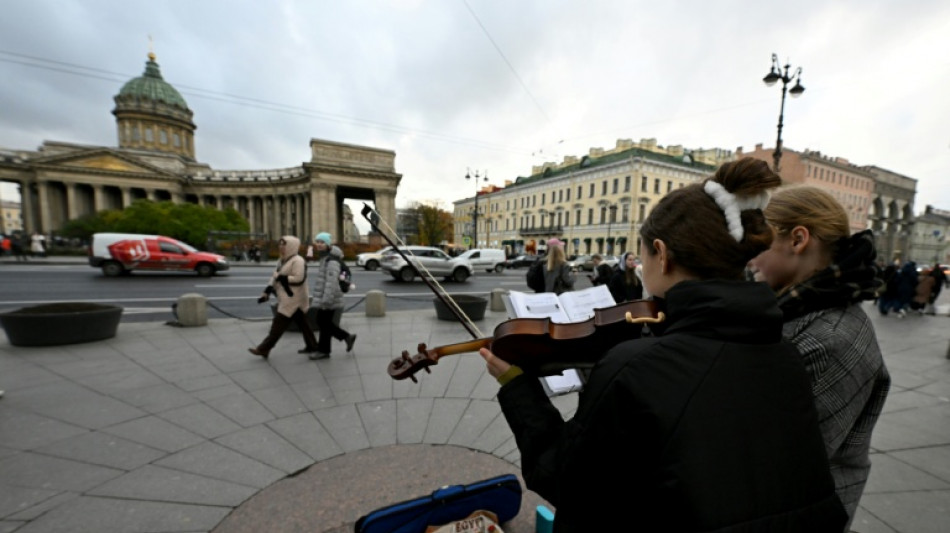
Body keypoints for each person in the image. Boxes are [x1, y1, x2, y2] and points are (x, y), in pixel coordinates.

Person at [479, 158, 845, 531]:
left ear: (662, 253)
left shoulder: (636, 367)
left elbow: (565, 481)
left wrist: (517, 387)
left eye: (645, 256)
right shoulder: (786, 355)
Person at [748, 186, 890, 530]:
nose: (747, 258)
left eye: (755, 243)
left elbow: (775, 466)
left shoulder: (827, 339)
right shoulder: (800, 310)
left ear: (797, 239)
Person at [248, 236, 318, 360]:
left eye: (284, 244)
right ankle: (312, 346)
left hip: (294, 297)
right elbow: (274, 277)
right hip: (286, 296)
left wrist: (281, 277)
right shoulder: (282, 260)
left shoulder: (298, 260)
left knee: (278, 324)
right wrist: (267, 291)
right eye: (280, 244)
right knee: (303, 324)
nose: (281, 247)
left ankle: (264, 348)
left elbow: (299, 279)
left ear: (291, 246)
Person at [311, 232, 356, 358]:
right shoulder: (326, 257)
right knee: (324, 323)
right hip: (329, 297)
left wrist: (326, 300)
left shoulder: (331, 261)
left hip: (329, 298)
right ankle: (327, 348)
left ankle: (331, 346)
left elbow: (331, 282)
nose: (319, 244)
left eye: (322, 242)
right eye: (318, 242)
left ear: (328, 244)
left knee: (322, 322)